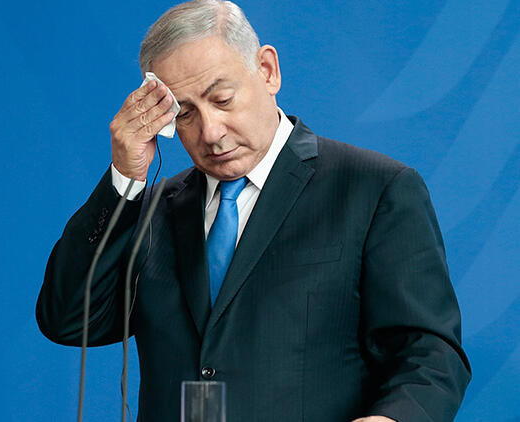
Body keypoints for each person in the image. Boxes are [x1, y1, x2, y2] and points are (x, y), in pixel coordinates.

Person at [36, 1, 471, 420]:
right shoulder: (153, 211)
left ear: (267, 70)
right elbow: (69, 320)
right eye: (184, 114)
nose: (211, 132)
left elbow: (431, 357)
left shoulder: (375, 189)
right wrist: (124, 178)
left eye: (222, 99)